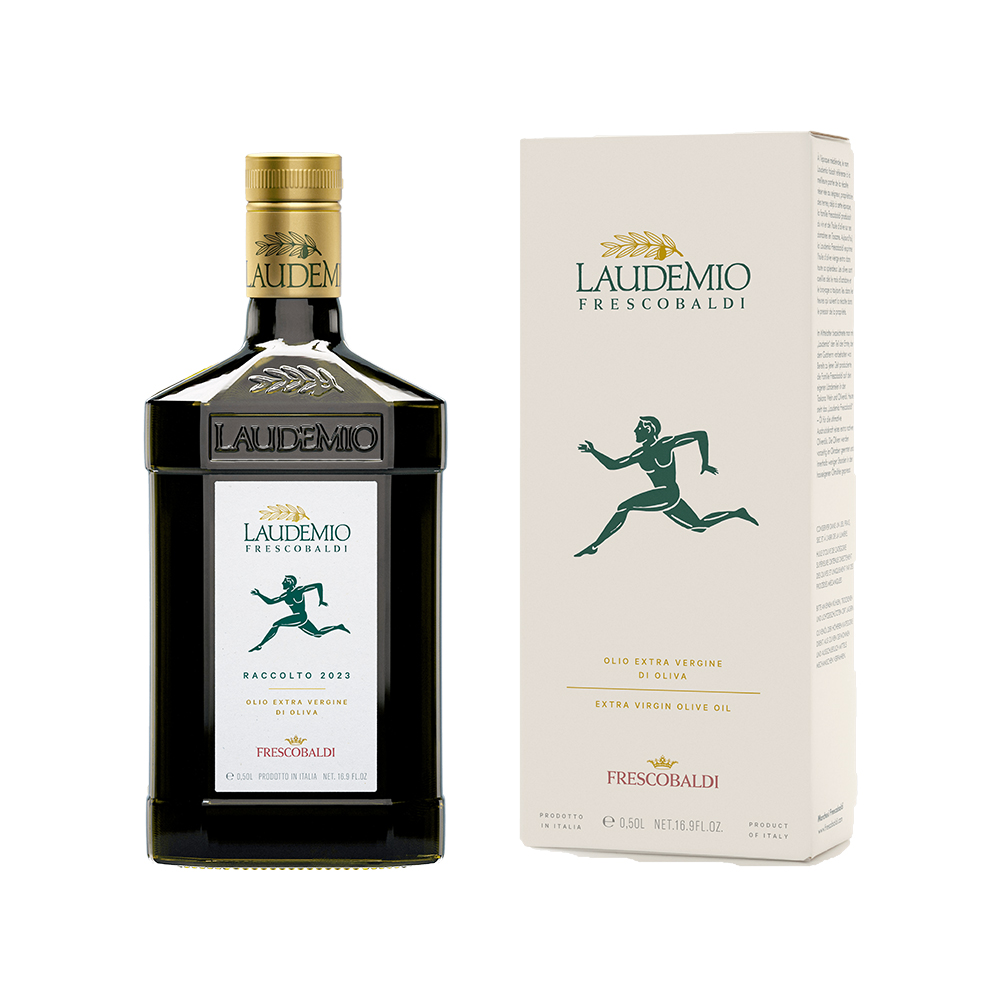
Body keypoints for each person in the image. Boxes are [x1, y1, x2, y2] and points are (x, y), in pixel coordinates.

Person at [575, 416, 757, 556]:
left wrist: (705, 463)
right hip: (663, 496)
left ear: (649, 429)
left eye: (639, 427)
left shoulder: (665, 444)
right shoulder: (639, 453)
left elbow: (701, 435)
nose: (635, 431)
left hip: (668, 494)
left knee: (624, 507)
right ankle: (737, 513)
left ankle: (594, 546)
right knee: (698, 526)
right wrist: (593, 451)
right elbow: (613, 465)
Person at [248, 575, 349, 651]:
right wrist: (259, 594)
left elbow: (318, 585)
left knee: (276, 624)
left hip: (300, 617)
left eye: (284, 581)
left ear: (290, 582)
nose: (282, 583)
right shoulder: (285, 595)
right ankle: (338, 626)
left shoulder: (299, 590)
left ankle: (260, 645)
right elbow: (270, 602)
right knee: (317, 634)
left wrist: (321, 600)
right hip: (299, 618)